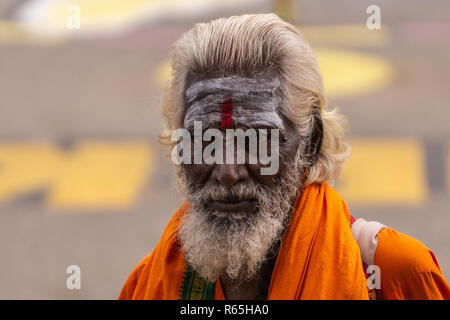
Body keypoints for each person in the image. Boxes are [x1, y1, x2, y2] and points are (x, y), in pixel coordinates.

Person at [119, 13, 450, 300]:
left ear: (311, 144)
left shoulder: (395, 275)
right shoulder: (149, 284)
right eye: (204, 141)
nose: (228, 171)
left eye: (258, 141)